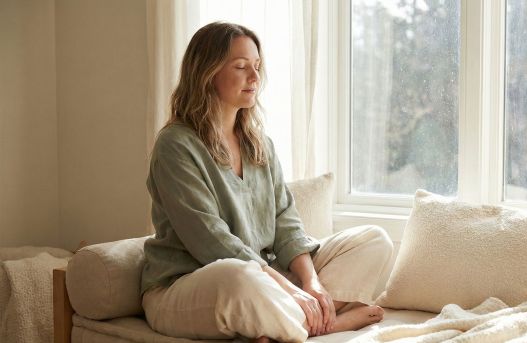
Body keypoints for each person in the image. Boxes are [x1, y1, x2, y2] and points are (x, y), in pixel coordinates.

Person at [140, 21, 393, 343]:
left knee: (373, 239)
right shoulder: (176, 145)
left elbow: (286, 222)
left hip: (263, 276)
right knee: (237, 273)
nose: (255, 78)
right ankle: (332, 323)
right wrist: (288, 288)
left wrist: (311, 284)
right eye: (242, 66)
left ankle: (289, 320)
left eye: (257, 67)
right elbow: (211, 242)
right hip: (190, 286)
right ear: (207, 73)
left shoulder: (259, 143)